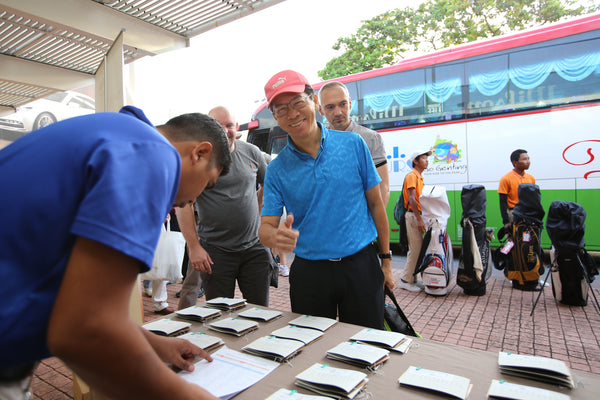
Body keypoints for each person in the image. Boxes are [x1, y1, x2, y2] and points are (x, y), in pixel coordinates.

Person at [0, 106, 232, 400]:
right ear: (199, 152)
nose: (191, 201)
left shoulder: (119, 133)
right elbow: (86, 329)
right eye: (206, 184)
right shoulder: (152, 154)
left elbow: (81, 300)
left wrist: (152, 343)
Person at [259, 70, 394, 329]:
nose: (293, 114)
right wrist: (274, 237)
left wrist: (386, 262)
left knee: (368, 347)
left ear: (314, 103)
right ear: (275, 116)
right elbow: (265, 228)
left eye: (298, 102)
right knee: (312, 350)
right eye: (281, 109)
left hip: (361, 266)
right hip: (310, 274)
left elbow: (376, 205)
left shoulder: (354, 144)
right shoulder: (277, 169)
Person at [177, 106, 271, 309]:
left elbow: (269, 182)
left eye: (229, 125)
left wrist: (258, 204)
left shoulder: (251, 152)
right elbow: (183, 207)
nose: (224, 130)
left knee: (260, 311)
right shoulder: (199, 160)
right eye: (217, 126)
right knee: (220, 314)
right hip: (216, 253)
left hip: (254, 249)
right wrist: (194, 248)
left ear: (236, 127)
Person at [318, 81, 390, 206]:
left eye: (343, 104)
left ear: (350, 103)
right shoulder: (317, 143)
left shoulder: (371, 138)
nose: (338, 112)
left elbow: (383, 188)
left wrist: (372, 224)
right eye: (330, 107)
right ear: (321, 110)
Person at [398, 149, 433, 292]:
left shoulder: (419, 177)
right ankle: (405, 280)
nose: (427, 161)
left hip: (416, 215)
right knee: (415, 249)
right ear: (415, 161)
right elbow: (412, 198)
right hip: (412, 216)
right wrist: (419, 219)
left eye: (427, 158)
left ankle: (412, 278)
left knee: (418, 249)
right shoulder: (412, 176)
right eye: (424, 158)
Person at [498, 149, 536, 230]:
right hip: (514, 214)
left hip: (529, 214)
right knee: (514, 240)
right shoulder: (506, 179)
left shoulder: (531, 178)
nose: (528, 161)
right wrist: (506, 222)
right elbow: (502, 202)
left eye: (528, 159)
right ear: (515, 162)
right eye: (524, 159)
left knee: (529, 240)